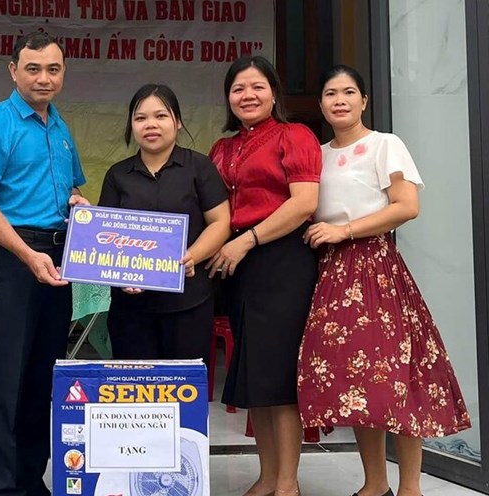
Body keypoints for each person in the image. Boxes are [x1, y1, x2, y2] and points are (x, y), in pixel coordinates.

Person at [297, 65, 471, 496]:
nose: (340, 100)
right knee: (357, 383)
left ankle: (409, 487)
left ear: (364, 102)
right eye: (331, 93)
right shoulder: (316, 154)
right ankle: (374, 485)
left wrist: (345, 230)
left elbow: (407, 206)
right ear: (320, 104)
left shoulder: (385, 145)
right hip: (332, 273)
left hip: (376, 269)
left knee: (398, 379)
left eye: (349, 92)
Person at [0, 31, 87, 496]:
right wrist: (26, 253)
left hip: (57, 257)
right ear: (13, 71)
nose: (43, 78)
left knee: (43, 378)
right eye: (33, 68)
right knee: (9, 382)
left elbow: (70, 192)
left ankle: (31, 482)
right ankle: (1, 488)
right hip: (14, 259)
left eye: (53, 69)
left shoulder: (60, 127)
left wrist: (80, 205)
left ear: (63, 72)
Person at [206, 56, 322, 496]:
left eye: (256, 87)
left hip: (282, 261)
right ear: (228, 98)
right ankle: (268, 476)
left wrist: (248, 240)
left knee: (280, 374)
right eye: (238, 89)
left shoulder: (295, 136)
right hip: (237, 268)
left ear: (274, 92)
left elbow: (303, 203)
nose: (247, 96)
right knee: (257, 375)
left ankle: (288, 483)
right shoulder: (222, 148)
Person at [98, 83, 230, 362]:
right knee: (135, 392)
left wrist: (192, 256)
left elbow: (220, 222)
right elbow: (105, 236)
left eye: (161, 116)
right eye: (140, 117)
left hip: (189, 301)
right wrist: (119, 275)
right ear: (131, 125)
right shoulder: (117, 175)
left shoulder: (199, 167)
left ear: (178, 121)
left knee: (183, 391)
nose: (151, 125)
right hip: (131, 307)